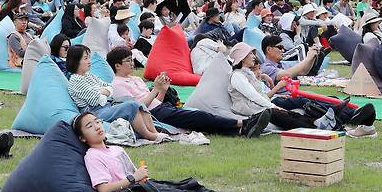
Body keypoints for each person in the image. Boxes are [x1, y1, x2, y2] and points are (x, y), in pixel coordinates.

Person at [73, 112, 285, 192]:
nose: (97, 127)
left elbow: (134, 174)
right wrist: (133, 179)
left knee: (196, 189)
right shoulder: (92, 156)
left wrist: (139, 177)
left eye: (97, 122)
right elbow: (103, 190)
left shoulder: (116, 149)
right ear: (83, 137)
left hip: (140, 186)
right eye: (90, 126)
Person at [107, 47, 270, 137]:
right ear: (117, 66)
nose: (131, 63)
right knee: (199, 116)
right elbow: (139, 108)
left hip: (161, 108)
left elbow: (156, 100)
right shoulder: (117, 85)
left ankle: (240, 131)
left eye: (131, 59)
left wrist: (162, 91)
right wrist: (155, 89)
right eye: (127, 61)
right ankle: (244, 123)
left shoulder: (136, 80)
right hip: (152, 114)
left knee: (199, 120)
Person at [228, 42, 339, 130]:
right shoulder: (237, 76)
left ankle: (318, 122)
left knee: (287, 112)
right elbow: (253, 96)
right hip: (250, 108)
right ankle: (316, 125)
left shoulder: (249, 73)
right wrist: (272, 105)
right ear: (242, 58)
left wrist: (262, 76)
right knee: (279, 113)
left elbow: (257, 92)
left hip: (259, 104)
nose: (254, 56)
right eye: (250, 54)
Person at [66, 45, 166, 142]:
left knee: (135, 102)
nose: (89, 61)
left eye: (89, 58)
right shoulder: (76, 81)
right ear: (76, 61)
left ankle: (154, 132)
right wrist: (103, 91)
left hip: (106, 106)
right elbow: (96, 99)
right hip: (94, 113)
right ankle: (150, 136)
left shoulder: (88, 75)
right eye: (85, 58)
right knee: (132, 105)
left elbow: (109, 86)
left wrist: (103, 91)